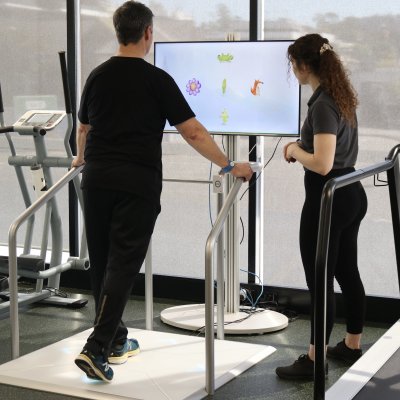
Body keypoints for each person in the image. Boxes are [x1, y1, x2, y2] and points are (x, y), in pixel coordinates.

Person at [71, 0, 253, 383]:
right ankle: (96, 347)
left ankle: (116, 339)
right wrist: (227, 164)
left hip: (97, 179)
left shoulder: (97, 76)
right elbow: (193, 132)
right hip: (136, 184)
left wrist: (79, 158)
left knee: (103, 261)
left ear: (118, 32)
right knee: (122, 264)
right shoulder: (157, 80)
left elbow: (83, 128)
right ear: (148, 34)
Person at [275, 33, 368, 380]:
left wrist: (294, 150)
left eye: (293, 64)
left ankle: (315, 361)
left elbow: (323, 162)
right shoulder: (340, 97)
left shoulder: (324, 103)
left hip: (328, 199)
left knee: (321, 282)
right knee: (347, 273)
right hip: (350, 194)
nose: (292, 70)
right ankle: (351, 345)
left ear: (303, 66)